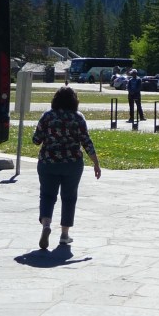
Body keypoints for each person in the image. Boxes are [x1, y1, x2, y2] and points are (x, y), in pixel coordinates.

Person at [32, 85, 101, 249]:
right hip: (72, 163)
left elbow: (36, 140)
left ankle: (46, 225)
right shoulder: (78, 118)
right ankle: (64, 234)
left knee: (47, 195)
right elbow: (86, 142)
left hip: (48, 162)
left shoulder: (47, 116)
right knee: (69, 198)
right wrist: (96, 163)